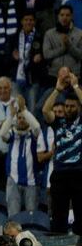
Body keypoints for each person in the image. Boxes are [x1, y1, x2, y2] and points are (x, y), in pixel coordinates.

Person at [41, 69, 82, 235]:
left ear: (78, 107)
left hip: (79, 173)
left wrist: (76, 86)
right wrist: (57, 89)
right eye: (66, 106)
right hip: (59, 174)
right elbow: (45, 111)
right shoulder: (58, 122)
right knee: (58, 218)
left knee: (81, 216)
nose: (68, 109)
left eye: (72, 106)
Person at [0, 98, 41, 216]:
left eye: (24, 118)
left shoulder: (33, 135)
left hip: (31, 181)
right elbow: (2, 134)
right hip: (13, 180)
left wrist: (24, 110)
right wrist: (11, 115)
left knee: (31, 216)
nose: (21, 120)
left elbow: (37, 127)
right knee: (13, 217)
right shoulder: (12, 134)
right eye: (19, 118)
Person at [43, 5, 82, 81]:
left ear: (72, 16)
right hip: (54, 75)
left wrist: (69, 45)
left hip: (74, 75)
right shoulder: (49, 34)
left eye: (67, 15)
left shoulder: (80, 33)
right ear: (58, 16)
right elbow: (46, 54)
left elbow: (81, 55)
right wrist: (63, 49)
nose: (64, 18)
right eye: (62, 15)